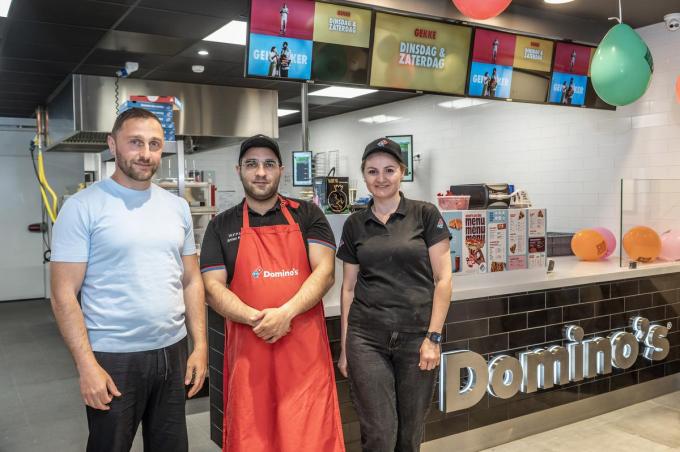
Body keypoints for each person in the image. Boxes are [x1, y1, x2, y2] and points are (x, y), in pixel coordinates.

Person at [50, 107, 207, 452]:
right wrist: (86, 366)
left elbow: (191, 281)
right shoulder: (82, 207)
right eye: (135, 142)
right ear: (112, 144)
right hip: (113, 356)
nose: (146, 153)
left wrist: (200, 347)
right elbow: (63, 294)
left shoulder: (177, 207)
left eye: (154, 144)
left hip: (172, 351)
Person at [200, 135, 344, 452]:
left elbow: (325, 273)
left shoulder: (308, 214)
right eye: (252, 164)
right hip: (250, 356)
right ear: (239, 170)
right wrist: (257, 319)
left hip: (304, 355)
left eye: (268, 164)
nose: (261, 172)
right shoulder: (221, 225)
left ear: (280, 170)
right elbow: (212, 288)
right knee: (254, 437)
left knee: (308, 437)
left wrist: (285, 314)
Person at [337, 138, 453, 452]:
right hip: (366, 339)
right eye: (372, 171)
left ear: (402, 172)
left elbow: (443, 279)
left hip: (417, 338)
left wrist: (433, 338)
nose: (381, 178)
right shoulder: (354, 224)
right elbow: (348, 288)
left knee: (409, 435)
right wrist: (346, 347)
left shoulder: (425, 214)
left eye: (389, 170)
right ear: (364, 175)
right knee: (380, 433)